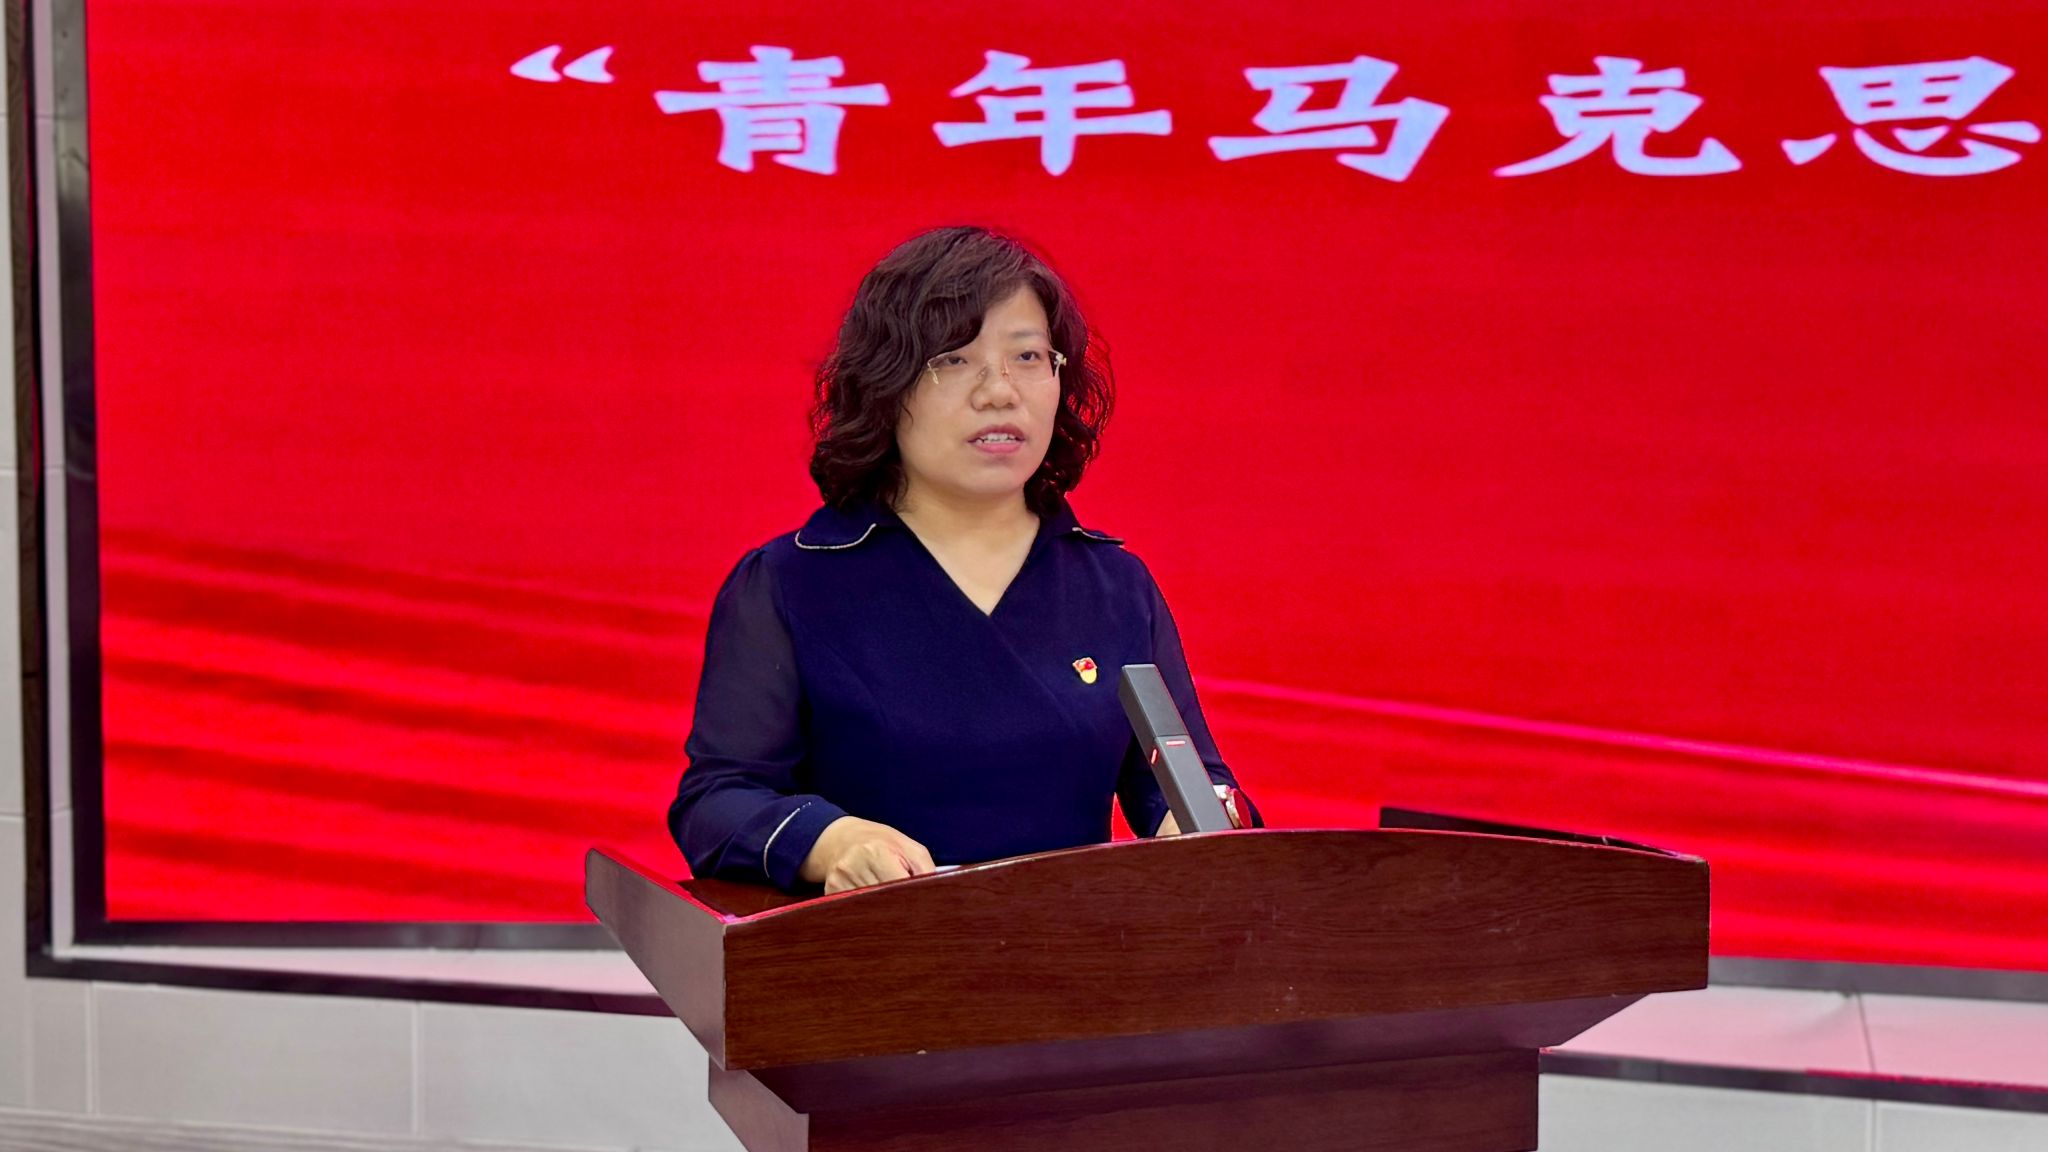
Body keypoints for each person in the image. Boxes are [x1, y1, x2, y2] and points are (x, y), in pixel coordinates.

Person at [668, 225, 1260, 895]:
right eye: (954, 359)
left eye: (1028, 357)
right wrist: (830, 842)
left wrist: (1199, 824)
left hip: (1075, 949)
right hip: (868, 947)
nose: (999, 392)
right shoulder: (794, 582)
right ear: (886, 384)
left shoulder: (1113, 587)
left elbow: (1191, 785)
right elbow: (717, 803)